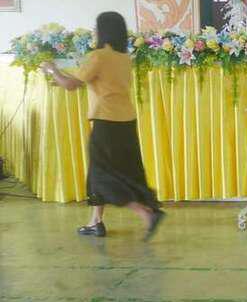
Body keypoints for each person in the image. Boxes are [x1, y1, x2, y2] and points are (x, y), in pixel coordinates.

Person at [40, 12, 166, 241]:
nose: (94, 31)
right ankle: (95, 222)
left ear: (103, 31)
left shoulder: (99, 56)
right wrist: (61, 79)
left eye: (96, 27)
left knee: (101, 176)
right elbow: (87, 81)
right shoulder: (123, 57)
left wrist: (51, 69)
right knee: (119, 171)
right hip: (126, 122)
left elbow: (70, 85)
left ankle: (145, 213)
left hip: (106, 122)